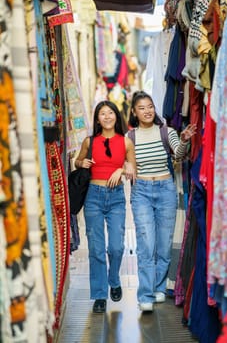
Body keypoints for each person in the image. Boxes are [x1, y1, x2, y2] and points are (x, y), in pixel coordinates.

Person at [127, 91, 197, 312]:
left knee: (164, 244)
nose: (147, 111)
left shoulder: (167, 131)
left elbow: (178, 155)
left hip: (166, 189)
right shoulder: (129, 137)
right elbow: (123, 163)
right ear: (134, 112)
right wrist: (125, 167)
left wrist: (184, 140)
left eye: (150, 106)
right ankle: (145, 294)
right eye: (142, 108)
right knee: (146, 244)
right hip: (142, 192)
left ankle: (158, 287)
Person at [75, 100, 136, 314]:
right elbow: (78, 162)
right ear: (97, 119)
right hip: (93, 196)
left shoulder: (126, 142)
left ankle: (114, 279)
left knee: (117, 247)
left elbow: (132, 169)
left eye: (111, 113)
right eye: (103, 113)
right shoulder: (89, 141)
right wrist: (81, 163)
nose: (107, 116)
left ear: (117, 117)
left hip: (116, 197)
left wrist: (123, 169)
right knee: (96, 249)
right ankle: (100, 295)